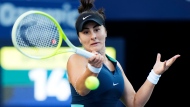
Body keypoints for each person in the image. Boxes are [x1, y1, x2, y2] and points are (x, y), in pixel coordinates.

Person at [67, 0, 181, 107]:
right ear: (80, 38)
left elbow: (134, 103)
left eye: (97, 29)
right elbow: (81, 90)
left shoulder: (115, 64)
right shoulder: (76, 59)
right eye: (86, 32)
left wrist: (155, 74)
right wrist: (93, 68)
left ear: (105, 32)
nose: (93, 36)